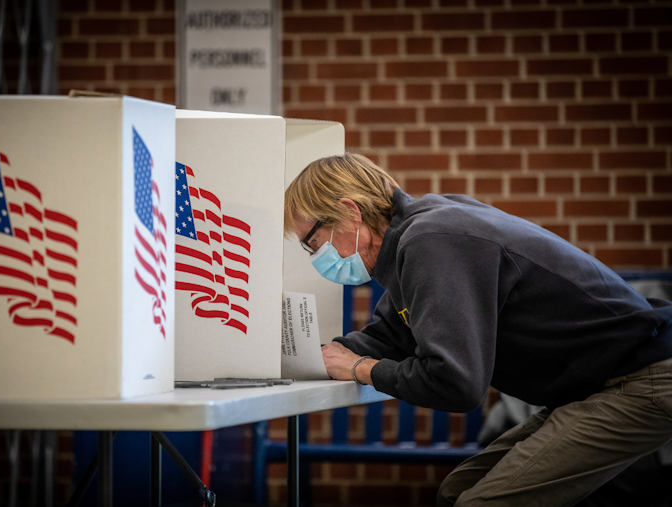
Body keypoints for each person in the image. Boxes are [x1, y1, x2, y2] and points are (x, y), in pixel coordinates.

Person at [284, 153, 672, 506]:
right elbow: (391, 336)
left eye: (314, 242)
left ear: (350, 211)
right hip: (595, 385)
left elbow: (456, 383)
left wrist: (358, 368)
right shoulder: (416, 235)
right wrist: (307, 356)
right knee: (455, 493)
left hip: (641, 379)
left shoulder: (431, 241)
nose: (318, 256)